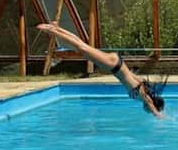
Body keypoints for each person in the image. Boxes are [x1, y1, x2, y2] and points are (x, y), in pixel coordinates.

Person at [37, 22, 165, 118]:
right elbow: (149, 102)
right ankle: (52, 30)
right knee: (82, 47)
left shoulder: (142, 87)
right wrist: (159, 116)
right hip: (113, 65)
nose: (149, 111)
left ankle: (55, 28)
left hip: (116, 62)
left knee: (82, 47)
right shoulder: (143, 95)